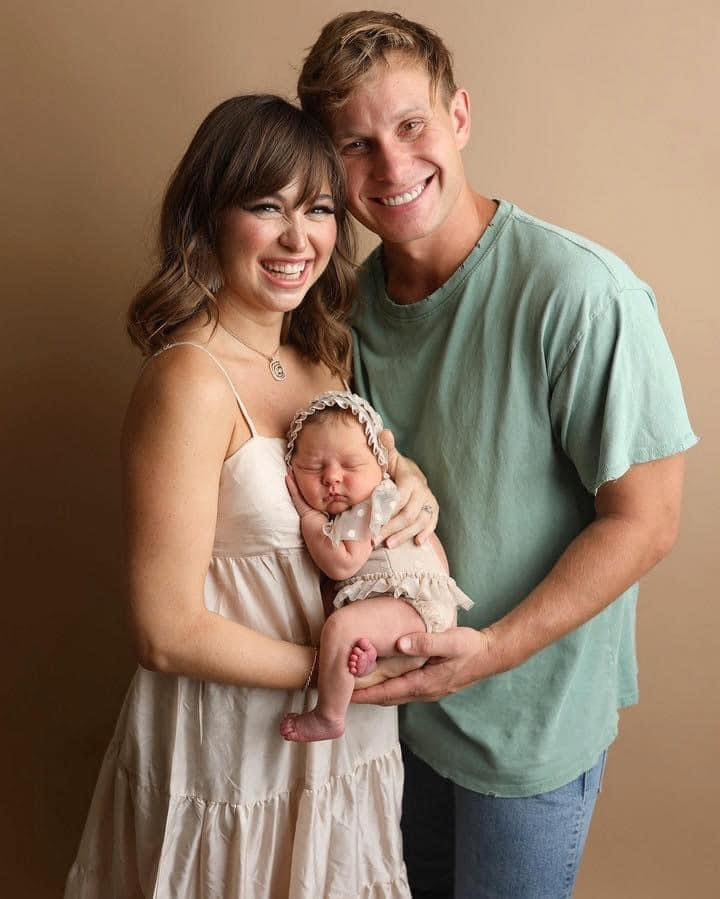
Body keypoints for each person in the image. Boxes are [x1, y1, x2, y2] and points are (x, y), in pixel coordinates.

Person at [298, 11, 698, 898]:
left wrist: (489, 650)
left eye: (412, 125)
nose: (392, 167)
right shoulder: (343, 308)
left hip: (528, 732)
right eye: (357, 145)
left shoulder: (580, 293)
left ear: (460, 116)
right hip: (392, 717)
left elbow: (648, 521)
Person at [64, 94, 424, 898]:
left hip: (341, 743)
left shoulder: (322, 361)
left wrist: (414, 484)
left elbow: (370, 482)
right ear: (210, 216)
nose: (299, 239)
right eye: (267, 207)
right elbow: (164, 630)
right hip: (230, 754)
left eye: (319, 209)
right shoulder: (189, 380)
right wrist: (342, 673)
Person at [278, 390, 473, 743]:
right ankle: (371, 660)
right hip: (411, 612)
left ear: (381, 464)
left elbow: (342, 564)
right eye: (313, 467)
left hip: (413, 606)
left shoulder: (374, 502)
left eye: (350, 466)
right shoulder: (369, 501)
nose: (332, 478)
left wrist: (308, 517)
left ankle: (328, 716)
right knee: (352, 640)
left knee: (340, 628)